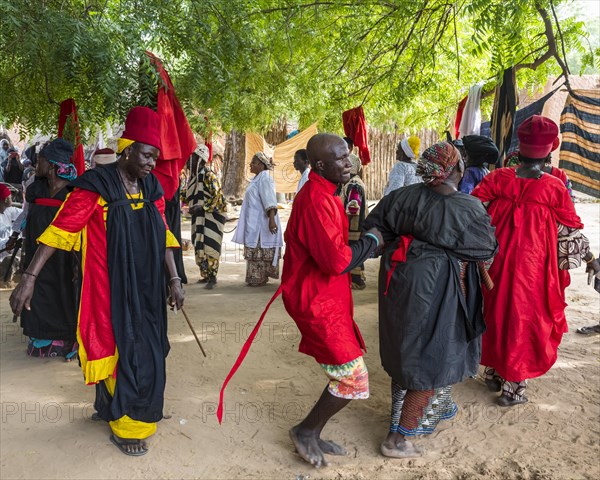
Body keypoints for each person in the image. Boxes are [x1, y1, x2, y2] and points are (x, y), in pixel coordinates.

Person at [10, 106, 185, 456]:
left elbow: (164, 235)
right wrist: (29, 277)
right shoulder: (95, 186)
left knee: (147, 349)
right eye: (147, 155)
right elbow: (60, 231)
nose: (152, 163)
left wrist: (175, 278)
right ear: (128, 149)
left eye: (156, 157)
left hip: (148, 288)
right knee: (121, 347)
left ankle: (110, 406)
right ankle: (129, 427)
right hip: (108, 287)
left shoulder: (151, 187)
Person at [364, 141, 497, 458]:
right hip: (438, 285)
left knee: (406, 351)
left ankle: (429, 411)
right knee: (432, 358)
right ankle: (397, 439)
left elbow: (375, 229)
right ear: (455, 169)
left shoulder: (401, 196)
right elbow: (485, 250)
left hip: (398, 281)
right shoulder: (467, 208)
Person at [471, 115, 600, 407]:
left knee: (496, 312)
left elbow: (473, 213)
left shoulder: (496, 179)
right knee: (524, 320)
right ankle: (512, 389)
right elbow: (570, 232)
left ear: (520, 147)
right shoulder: (554, 188)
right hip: (534, 271)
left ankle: (494, 372)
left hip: (496, 266)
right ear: (549, 150)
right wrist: (591, 258)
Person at [282, 133, 382, 468]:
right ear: (320, 165)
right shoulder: (315, 200)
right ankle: (306, 430)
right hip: (315, 299)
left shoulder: (326, 192)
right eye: (340, 159)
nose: (348, 163)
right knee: (353, 377)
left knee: (342, 371)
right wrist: (371, 241)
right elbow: (336, 261)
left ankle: (312, 429)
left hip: (328, 297)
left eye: (348, 157)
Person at [17, 139, 79, 359]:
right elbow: (27, 221)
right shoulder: (36, 190)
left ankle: (66, 337)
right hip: (37, 255)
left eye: (41, 160)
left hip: (65, 258)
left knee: (64, 292)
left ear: (52, 165)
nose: (37, 163)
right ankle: (41, 336)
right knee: (38, 291)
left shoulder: (75, 193)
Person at [232, 152, 283, 287]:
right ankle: (257, 276)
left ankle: (259, 276)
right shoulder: (257, 179)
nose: (250, 165)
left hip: (262, 223)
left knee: (259, 247)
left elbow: (270, 201)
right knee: (256, 246)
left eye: (253, 163)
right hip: (254, 222)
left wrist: (272, 220)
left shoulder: (265, 179)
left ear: (261, 165)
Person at [186, 144, 226, 289]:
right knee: (198, 244)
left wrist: (202, 207)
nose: (190, 162)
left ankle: (212, 277)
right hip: (198, 217)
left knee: (210, 245)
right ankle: (205, 274)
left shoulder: (209, 175)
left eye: (193, 159)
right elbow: (188, 195)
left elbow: (217, 197)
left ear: (201, 161)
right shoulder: (193, 178)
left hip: (211, 217)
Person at [340, 154, 369, 289]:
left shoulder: (353, 185)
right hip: (355, 225)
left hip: (353, 227)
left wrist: (344, 224)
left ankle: (356, 280)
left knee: (353, 251)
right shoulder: (353, 183)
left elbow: (353, 207)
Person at [0, 184, 23, 282]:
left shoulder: (8, 210)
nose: (12, 198)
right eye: (10, 196)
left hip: (8, 246)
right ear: (5, 199)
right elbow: (3, 234)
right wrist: (17, 230)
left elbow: (24, 214)